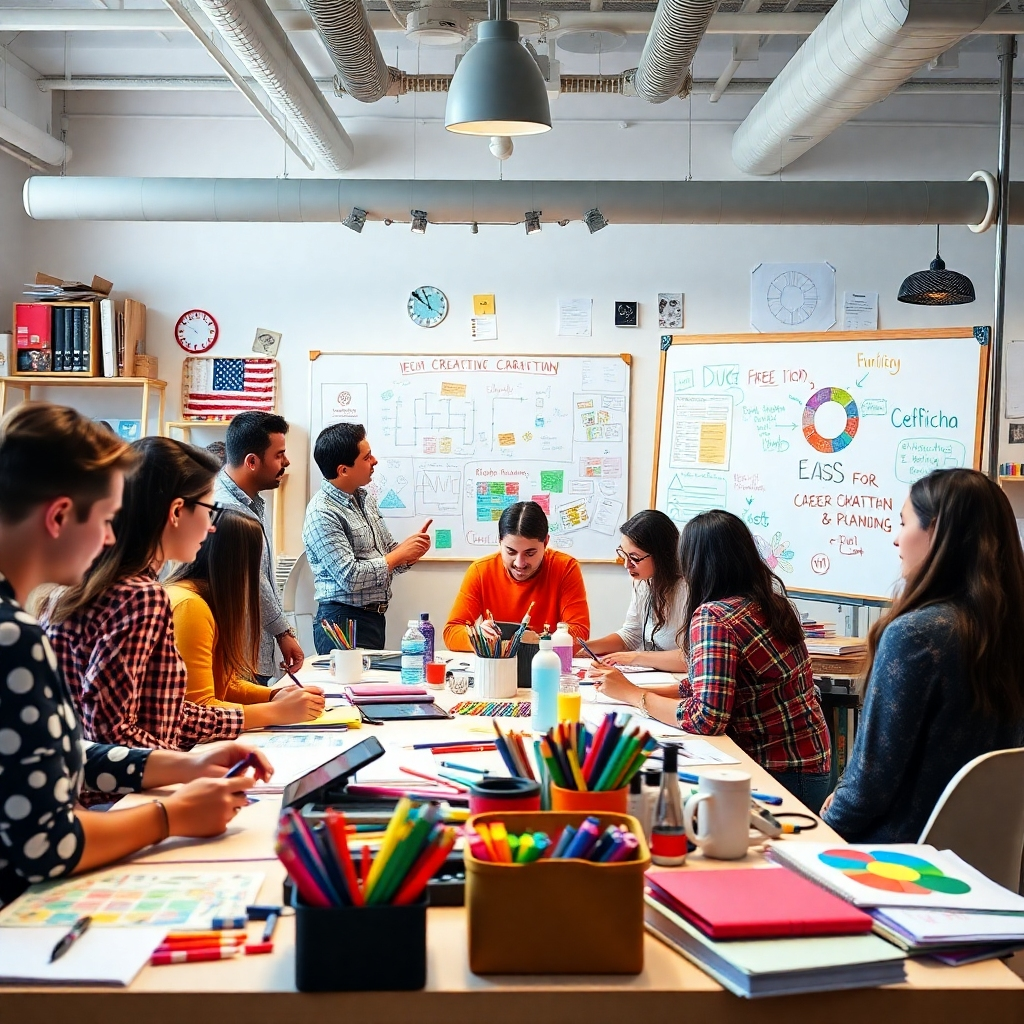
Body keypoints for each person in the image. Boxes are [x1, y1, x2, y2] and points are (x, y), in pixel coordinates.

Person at [0, 402, 271, 907]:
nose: (108, 536)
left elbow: (65, 757)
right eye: (105, 518)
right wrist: (169, 816)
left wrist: (181, 767)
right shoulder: (13, 636)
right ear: (59, 516)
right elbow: (44, 843)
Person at [824, 469, 1024, 842]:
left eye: (903, 522)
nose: (896, 539)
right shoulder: (1007, 633)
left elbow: (869, 789)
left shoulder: (916, 635)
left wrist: (818, 833)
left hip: (896, 861)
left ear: (937, 533)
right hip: (985, 867)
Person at [590, 510, 831, 812]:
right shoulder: (770, 603)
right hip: (809, 762)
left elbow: (706, 718)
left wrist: (633, 695)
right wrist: (625, 690)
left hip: (779, 771)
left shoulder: (714, 617)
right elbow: (710, 685)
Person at [42, 436, 244, 748]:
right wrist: (189, 771)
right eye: (209, 509)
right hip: (116, 794)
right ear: (177, 511)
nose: (212, 526)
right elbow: (113, 735)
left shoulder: (79, 584)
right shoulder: (140, 597)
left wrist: (257, 716)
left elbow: (162, 715)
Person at [166, 510, 326, 730]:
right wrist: (277, 711)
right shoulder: (190, 606)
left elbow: (225, 685)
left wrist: (275, 695)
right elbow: (198, 711)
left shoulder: (204, 600)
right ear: (236, 564)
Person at [303, 422, 432, 652]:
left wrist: (412, 552)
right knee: (348, 688)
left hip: (373, 619)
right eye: (367, 457)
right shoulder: (322, 512)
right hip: (341, 622)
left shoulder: (365, 498)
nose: (374, 462)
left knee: (371, 687)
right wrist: (398, 556)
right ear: (344, 470)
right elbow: (349, 576)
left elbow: (387, 553)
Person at [214, 412, 303, 682]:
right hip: (239, 654)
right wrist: (283, 632)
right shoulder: (227, 508)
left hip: (251, 651)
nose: (286, 462)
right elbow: (254, 579)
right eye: (279, 455)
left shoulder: (251, 503)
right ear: (252, 461)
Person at [443, 501, 590, 652]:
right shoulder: (481, 571)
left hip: (545, 664)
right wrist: (478, 637)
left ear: (546, 542)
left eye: (530, 553)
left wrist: (533, 642)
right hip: (498, 667)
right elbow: (451, 631)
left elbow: (580, 633)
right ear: (500, 542)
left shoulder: (565, 568)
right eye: (511, 552)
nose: (520, 564)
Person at [584, 510, 688, 671]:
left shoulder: (688, 590)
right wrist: (583, 648)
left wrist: (636, 657)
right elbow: (630, 635)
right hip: (652, 677)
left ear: (662, 555)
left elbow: (692, 657)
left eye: (635, 557)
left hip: (679, 682)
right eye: (623, 554)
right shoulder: (643, 583)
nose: (627, 564)